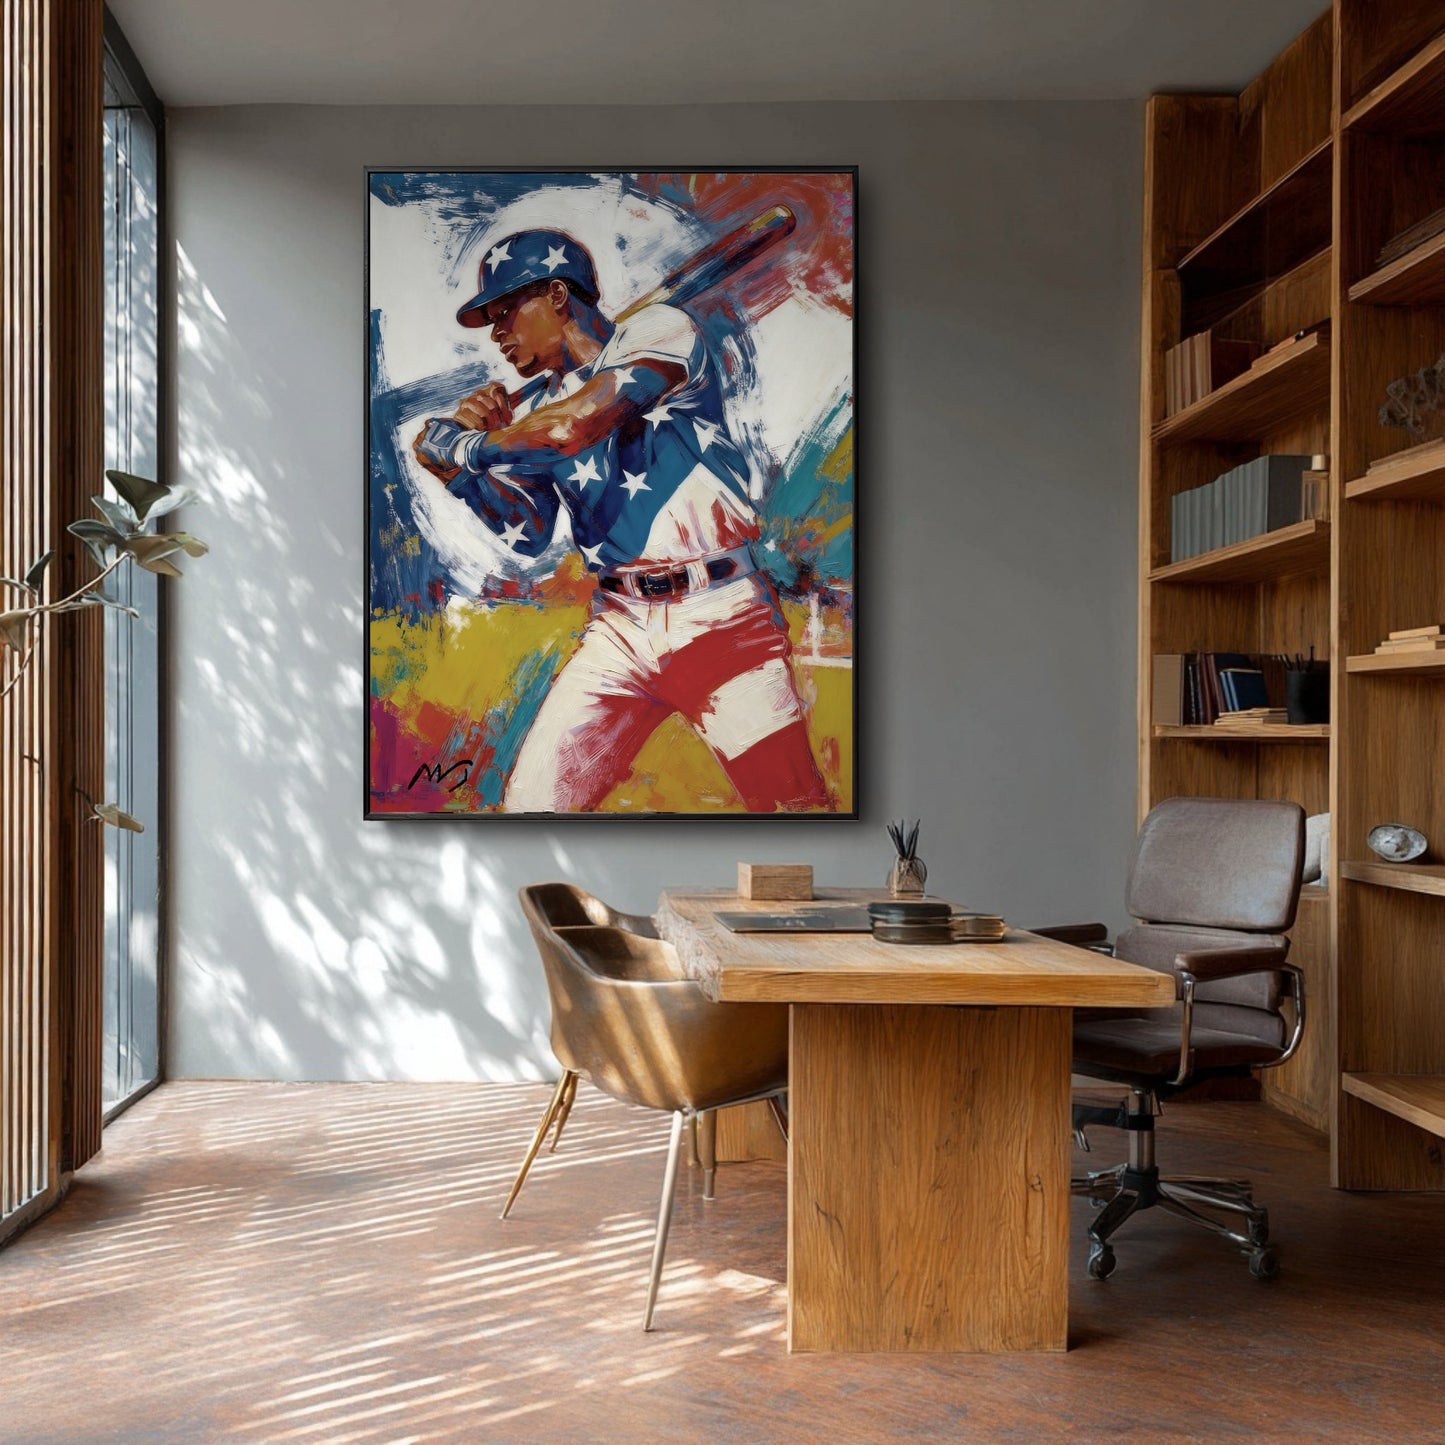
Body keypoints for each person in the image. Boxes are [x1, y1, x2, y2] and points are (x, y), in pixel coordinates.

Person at [412, 227, 831, 814]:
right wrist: (459, 476)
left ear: (558, 295)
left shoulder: (659, 330)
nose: (498, 334)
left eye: (506, 311)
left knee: (792, 808)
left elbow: (575, 428)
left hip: (720, 615)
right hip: (617, 628)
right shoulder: (535, 409)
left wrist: (468, 447)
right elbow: (528, 533)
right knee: (532, 808)